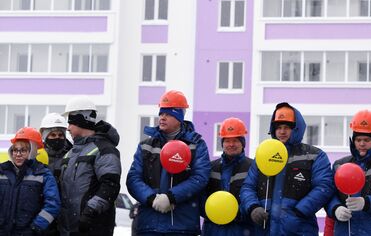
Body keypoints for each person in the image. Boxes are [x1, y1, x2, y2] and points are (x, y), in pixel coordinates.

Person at [240, 102, 333, 235]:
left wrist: (300, 211)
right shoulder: (263, 155)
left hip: (300, 230)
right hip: (264, 230)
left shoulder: (314, 156)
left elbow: (324, 187)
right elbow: (248, 186)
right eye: (278, 127)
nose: (282, 132)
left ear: (296, 129)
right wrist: (253, 207)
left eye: (286, 127)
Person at [126, 90, 211, 235]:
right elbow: (133, 178)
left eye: (168, 114)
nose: (162, 118)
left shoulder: (196, 145)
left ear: (179, 118)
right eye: (161, 113)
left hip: (182, 226)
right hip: (149, 225)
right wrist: (151, 198)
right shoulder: (146, 145)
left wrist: (171, 197)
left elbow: (200, 177)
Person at [58, 96, 122, 236]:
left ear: (81, 120)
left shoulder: (104, 149)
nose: (67, 128)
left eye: (70, 123)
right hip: (69, 228)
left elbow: (110, 185)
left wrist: (89, 212)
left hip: (93, 227)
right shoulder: (69, 154)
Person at [0, 127, 60, 235]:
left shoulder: (43, 174)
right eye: (15, 150)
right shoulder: (2, 172)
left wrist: (36, 228)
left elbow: (53, 205)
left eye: (23, 150)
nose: (18, 154)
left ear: (32, 151)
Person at [202, 117, 255, 236]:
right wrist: (212, 213)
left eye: (236, 140)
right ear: (222, 143)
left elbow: (255, 197)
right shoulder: (210, 167)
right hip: (213, 230)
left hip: (241, 230)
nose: (231, 144)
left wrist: (237, 213)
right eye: (227, 141)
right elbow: (201, 197)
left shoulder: (253, 167)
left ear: (243, 143)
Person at [40, 112, 73, 236]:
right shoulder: (36, 156)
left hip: (66, 215)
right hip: (42, 213)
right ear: (44, 135)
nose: (57, 138)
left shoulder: (72, 155)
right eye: (52, 134)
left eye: (60, 134)